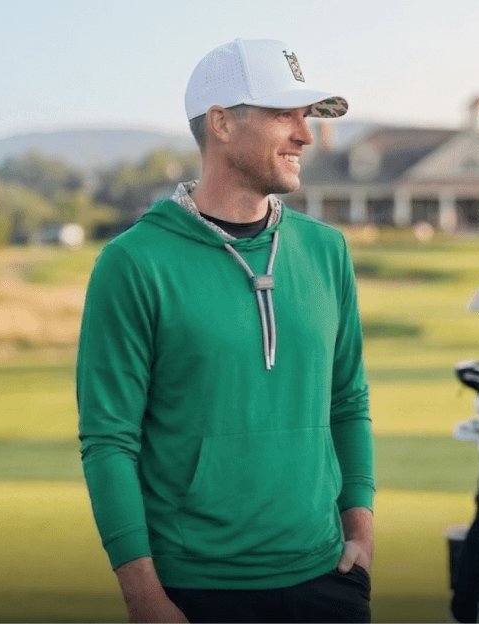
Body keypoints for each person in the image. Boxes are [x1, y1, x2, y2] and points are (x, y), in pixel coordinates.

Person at [76, 38, 373, 623]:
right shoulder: (134, 263)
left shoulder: (326, 250)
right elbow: (109, 439)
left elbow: (348, 399)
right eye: (283, 115)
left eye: (305, 116)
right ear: (222, 124)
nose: (305, 135)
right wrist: (144, 597)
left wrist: (359, 529)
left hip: (327, 580)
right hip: (194, 589)